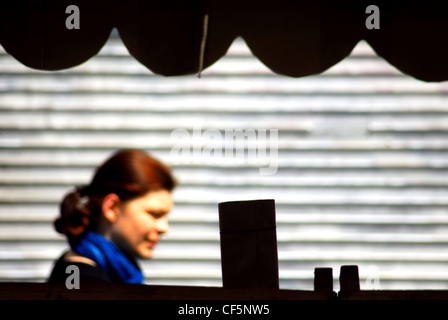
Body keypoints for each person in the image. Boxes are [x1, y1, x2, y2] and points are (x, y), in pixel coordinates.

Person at [47, 149, 177, 284]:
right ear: (112, 208)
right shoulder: (81, 278)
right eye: (155, 214)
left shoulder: (111, 272)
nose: (164, 228)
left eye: (165, 216)